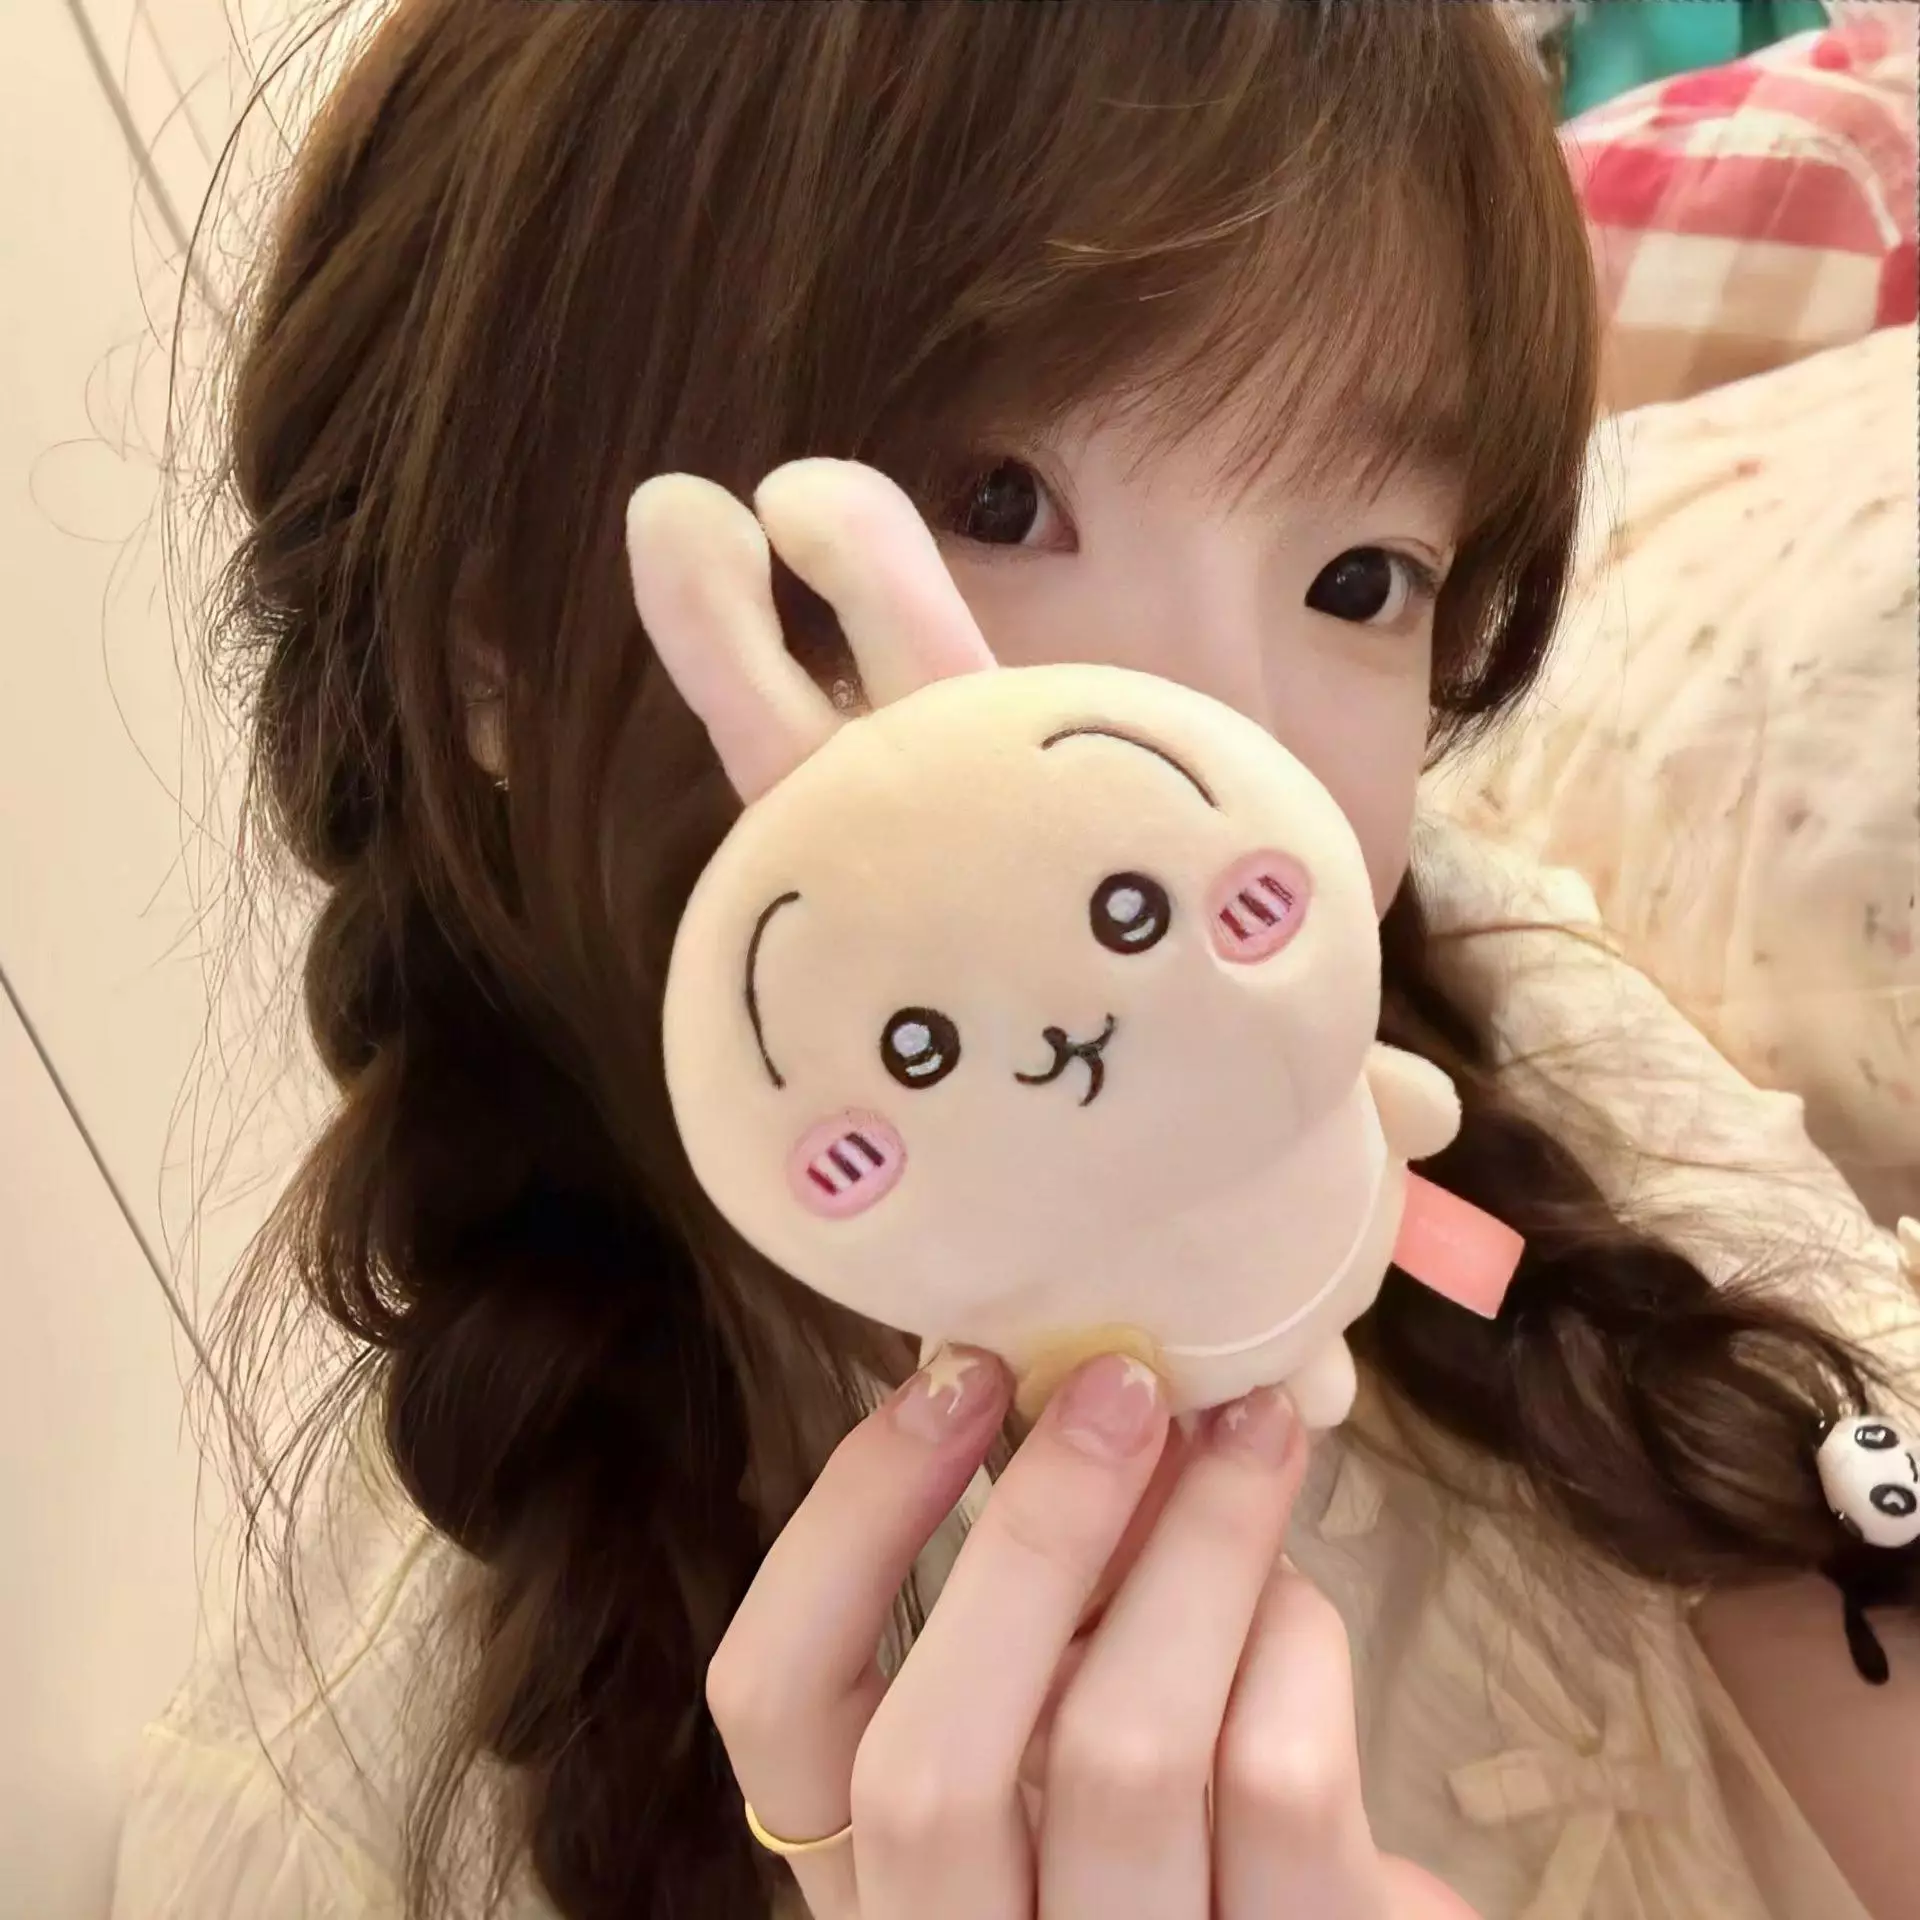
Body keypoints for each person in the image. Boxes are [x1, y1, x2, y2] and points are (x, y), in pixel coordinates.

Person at [114, 4, 1919, 1918]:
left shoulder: (1499, 1036)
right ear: (493, 642)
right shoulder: (352, 1810)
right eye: (996, 502)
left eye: (1360, 579)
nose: (1235, 746)